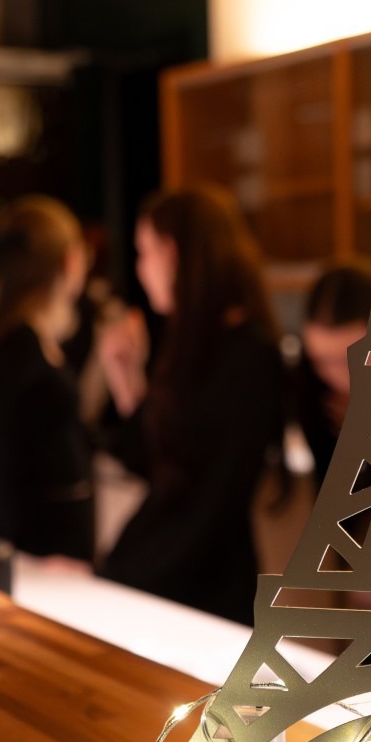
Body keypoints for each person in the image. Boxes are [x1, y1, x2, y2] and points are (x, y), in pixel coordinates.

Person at [97, 185, 285, 624]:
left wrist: (126, 580)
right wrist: (126, 378)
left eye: (145, 252)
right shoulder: (187, 343)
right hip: (167, 581)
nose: (141, 269)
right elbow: (154, 466)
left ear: (175, 252)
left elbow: (216, 505)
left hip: (206, 592)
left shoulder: (250, 353)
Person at [0, 196, 95, 561]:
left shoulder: (28, 337)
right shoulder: (19, 343)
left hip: (54, 547)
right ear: (71, 259)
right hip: (41, 549)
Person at [295, 258, 371, 487]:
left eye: (357, 361)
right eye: (322, 361)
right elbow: (332, 491)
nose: (341, 379)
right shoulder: (310, 386)